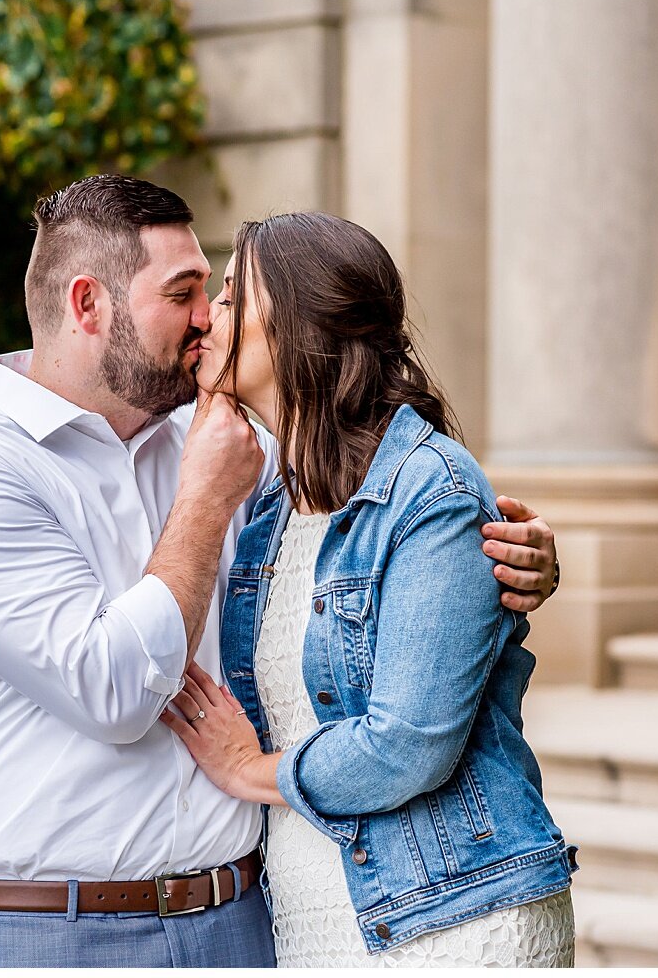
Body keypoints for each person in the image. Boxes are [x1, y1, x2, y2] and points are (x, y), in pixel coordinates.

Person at [0, 176, 560, 968]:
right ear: (88, 306)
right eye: (184, 293)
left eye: (216, 293)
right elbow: (113, 692)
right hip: (51, 933)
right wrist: (207, 501)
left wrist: (510, 566)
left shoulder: (233, 443)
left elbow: (375, 543)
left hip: (245, 921)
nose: (203, 317)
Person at [162, 212, 576, 966]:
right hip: (310, 915)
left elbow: (409, 745)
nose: (206, 317)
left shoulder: (431, 491)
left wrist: (249, 770)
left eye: (229, 295)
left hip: (449, 918)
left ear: (293, 321)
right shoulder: (266, 509)